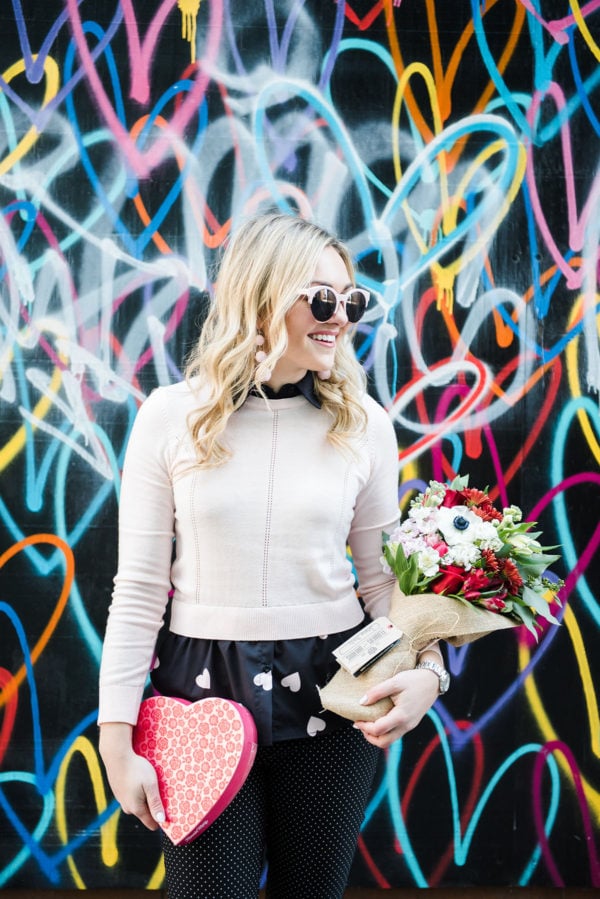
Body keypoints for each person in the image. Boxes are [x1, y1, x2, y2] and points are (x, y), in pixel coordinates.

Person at [98, 212, 443, 899]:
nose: (340, 317)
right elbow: (138, 588)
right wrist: (116, 736)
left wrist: (430, 672)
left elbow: (381, 581)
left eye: (352, 301)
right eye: (321, 299)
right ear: (261, 296)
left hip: (335, 685)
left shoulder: (364, 424)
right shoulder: (172, 416)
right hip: (200, 692)